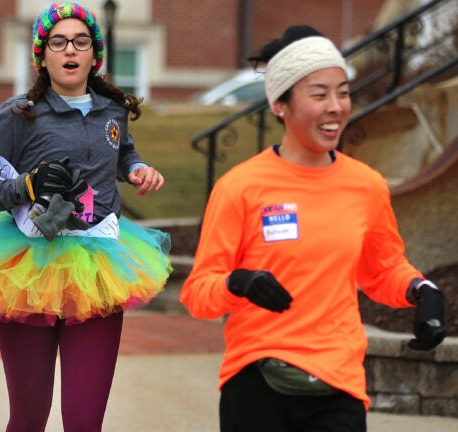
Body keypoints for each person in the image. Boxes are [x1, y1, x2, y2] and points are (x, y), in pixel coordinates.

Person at [180, 25, 447, 431]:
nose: (336, 107)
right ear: (280, 105)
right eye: (319, 95)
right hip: (257, 380)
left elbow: (382, 270)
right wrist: (239, 282)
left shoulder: (366, 185)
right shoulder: (240, 187)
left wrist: (421, 291)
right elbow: (198, 294)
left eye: (343, 93)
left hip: (338, 384)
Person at [0, 2, 172, 430]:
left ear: (94, 55)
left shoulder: (112, 109)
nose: (70, 49)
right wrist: (26, 187)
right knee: (29, 418)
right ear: (42, 56)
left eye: (81, 41)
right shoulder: (18, 114)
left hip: (100, 267)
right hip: (27, 268)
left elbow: (122, 150)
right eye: (58, 42)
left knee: (85, 422)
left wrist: (136, 168)